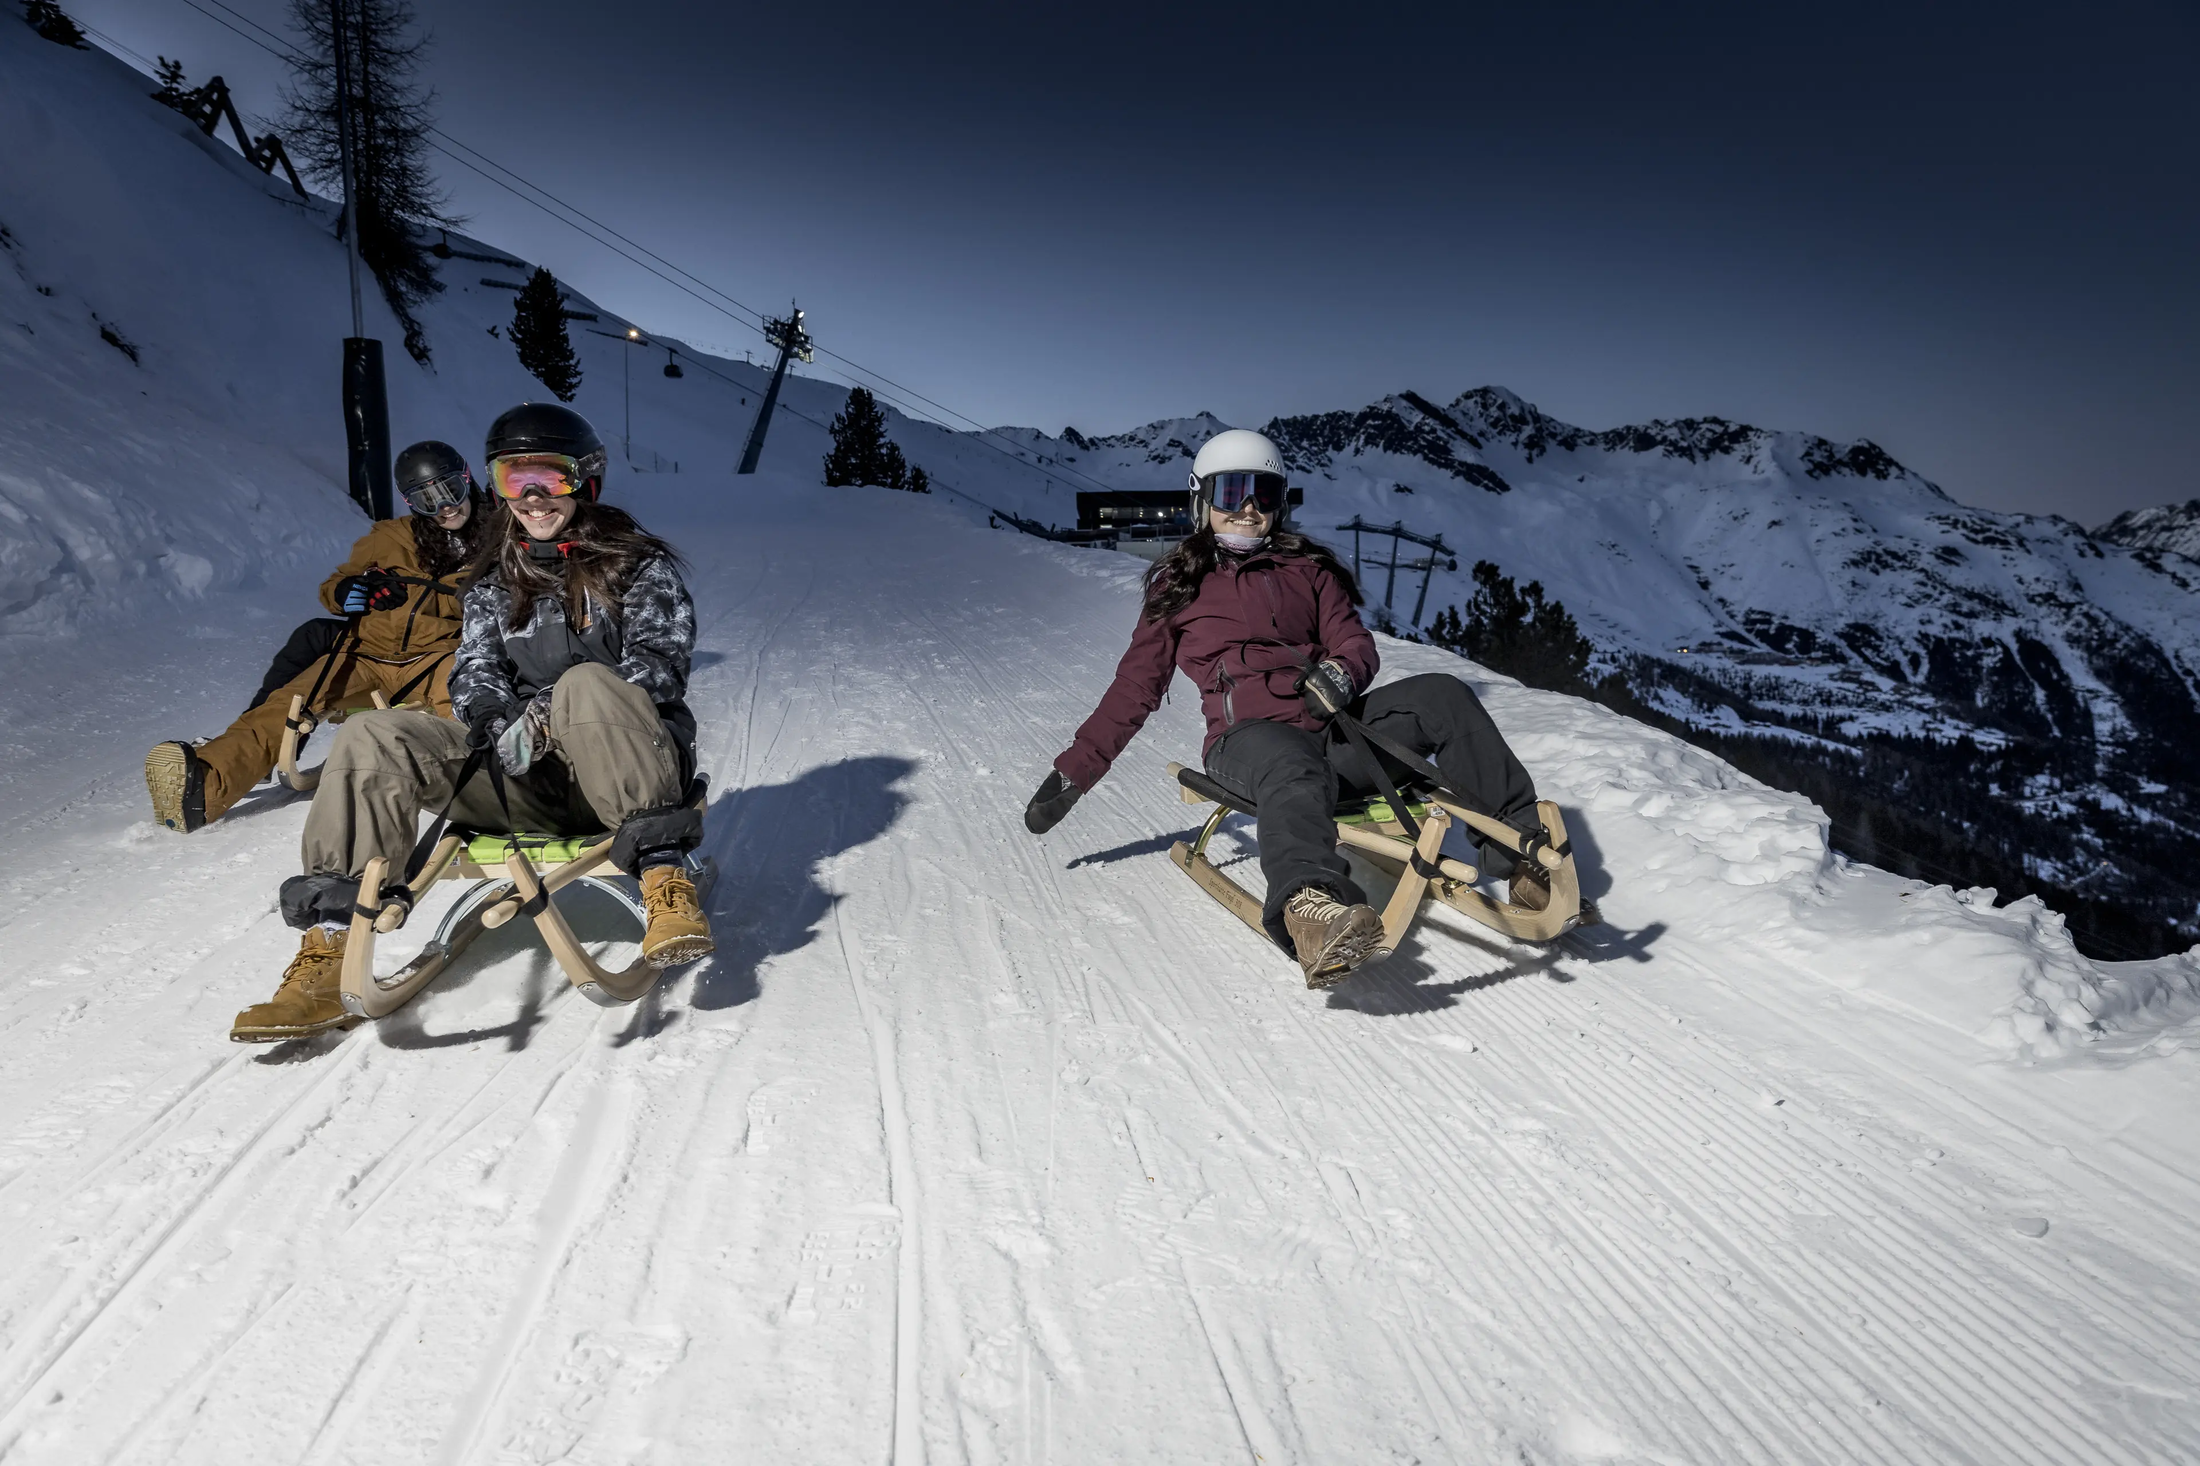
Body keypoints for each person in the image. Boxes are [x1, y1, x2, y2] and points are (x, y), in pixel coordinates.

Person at [230, 403, 713, 1042]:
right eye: (515, 480)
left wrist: (544, 714)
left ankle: (663, 879)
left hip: (623, 768)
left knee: (586, 683)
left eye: (550, 478)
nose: (534, 498)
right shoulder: (492, 582)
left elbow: (657, 669)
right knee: (374, 733)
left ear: (586, 480)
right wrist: (487, 712)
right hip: (528, 780)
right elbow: (475, 666)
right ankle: (329, 945)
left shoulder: (638, 568)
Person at [1023, 429, 1547, 988]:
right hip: (1247, 743)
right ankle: (1309, 907)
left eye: (1265, 494)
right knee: (1292, 763)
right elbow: (1135, 688)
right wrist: (1076, 769)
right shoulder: (1179, 586)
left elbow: (1354, 641)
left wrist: (1343, 672)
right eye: (1233, 493)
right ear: (1202, 500)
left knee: (1443, 694)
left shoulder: (1309, 571)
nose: (1249, 508)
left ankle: (1521, 854)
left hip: (1333, 732)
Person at [145, 441, 491, 833]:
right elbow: (336, 584)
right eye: (427, 500)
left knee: (463, 706)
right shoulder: (389, 538)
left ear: (467, 480)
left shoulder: (496, 541)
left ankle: (485, 790)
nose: (444, 507)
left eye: (450, 491)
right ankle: (203, 787)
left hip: (439, 658)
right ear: (411, 503)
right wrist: (351, 591)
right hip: (366, 654)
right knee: (287, 704)